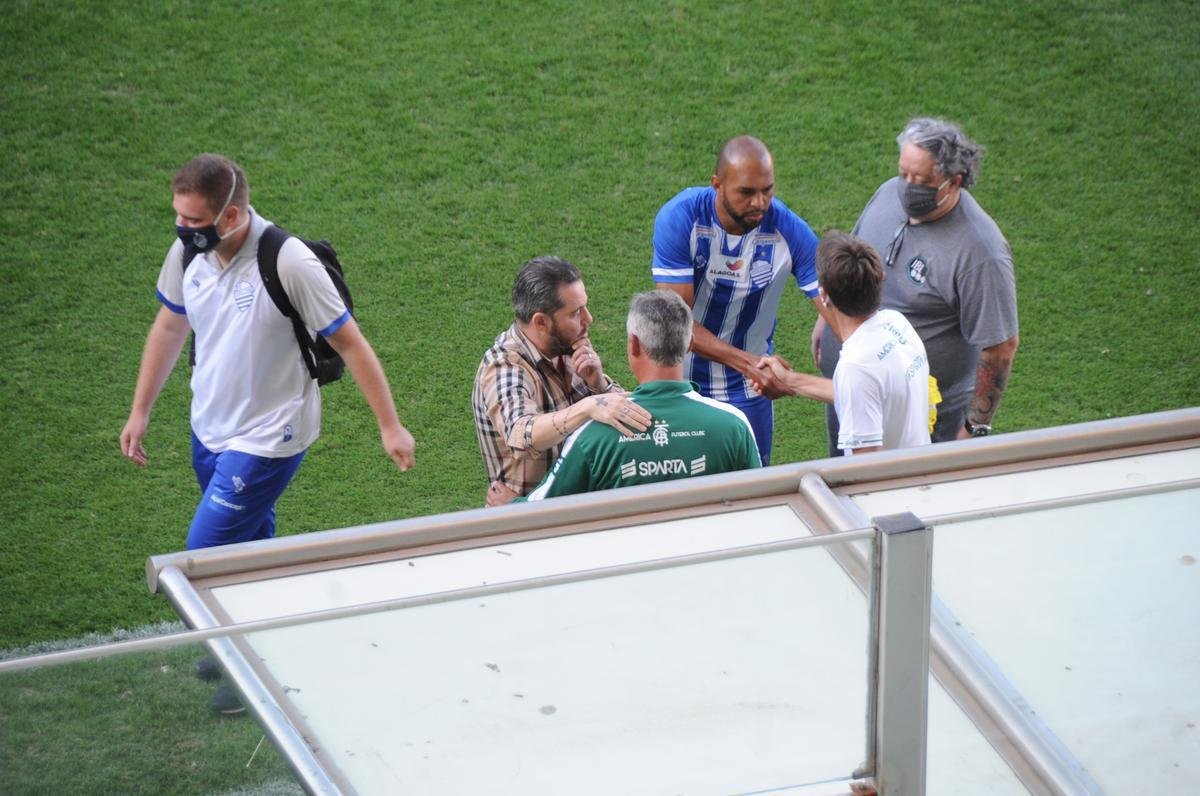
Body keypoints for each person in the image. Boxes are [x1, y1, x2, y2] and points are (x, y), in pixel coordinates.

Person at [120, 153, 415, 713]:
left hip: (269, 437)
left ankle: (250, 679)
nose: (182, 231)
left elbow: (351, 342)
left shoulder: (288, 262)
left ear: (230, 216)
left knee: (201, 559)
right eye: (178, 219)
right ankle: (258, 641)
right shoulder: (188, 251)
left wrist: (390, 426)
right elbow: (169, 325)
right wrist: (140, 411)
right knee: (251, 552)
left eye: (193, 221)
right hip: (210, 427)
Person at [815, 118, 1019, 452]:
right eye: (903, 174)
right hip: (857, 388)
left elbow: (1000, 347)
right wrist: (825, 320)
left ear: (954, 181)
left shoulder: (981, 251)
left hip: (925, 414)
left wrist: (975, 427)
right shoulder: (886, 194)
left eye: (921, 180)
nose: (907, 187)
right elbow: (848, 258)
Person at [652, 135, 831, 466]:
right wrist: (750, 363)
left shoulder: (789, 231)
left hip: (749, 391)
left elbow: (838, 307)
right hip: (680, 384)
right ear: (717, 185)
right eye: (747, 193)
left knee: (752, 491)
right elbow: (676, 325)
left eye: (767, 190)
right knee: (679, 492)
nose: (760, 203)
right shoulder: (681, 219)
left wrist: (834, 321)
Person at [523, 290, 760, 500]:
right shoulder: (733, 425)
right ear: (689, 345)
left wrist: (506, 508)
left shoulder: (593, 435)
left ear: (634, 344)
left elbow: (540, 510)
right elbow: (760, 505)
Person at [472, 256, 653, 505]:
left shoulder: (567, 348)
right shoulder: (504, 365)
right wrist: (587, 407)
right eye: (576, 313)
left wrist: (599, 384)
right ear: (541, 322)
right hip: (528, 521)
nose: (589, 319)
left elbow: (626, 417)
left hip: (576, 509)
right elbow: (520, 433)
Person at [758, 231, 931, 455]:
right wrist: (790, 381)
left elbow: (866, 470)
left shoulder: (856, 366)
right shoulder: (897, 324)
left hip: (892, 489)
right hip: (920, 477)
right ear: (880, 279)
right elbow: (867, 393)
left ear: (823, 294)